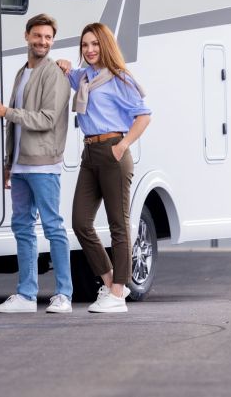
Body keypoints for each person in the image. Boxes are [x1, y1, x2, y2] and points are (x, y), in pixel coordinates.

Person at [56, 23, 151, 313]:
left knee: (118, 225)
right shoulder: (84, 77)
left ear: (105, 45)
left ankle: (119, 294)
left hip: (113, 151)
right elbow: (67, 74)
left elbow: (144, 116)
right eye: (85, 45)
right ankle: (110, 284)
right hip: (90, 153)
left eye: (95, 44)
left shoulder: (120, 79)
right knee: (80, 222)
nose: (90, 49)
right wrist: (63, 65)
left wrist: (122, 146)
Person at [0, 13, 73, 314]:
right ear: (27, 36)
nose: (43, 42)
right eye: (38, 36)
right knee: (22, 227)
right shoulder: (22, 72)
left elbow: (48, 119)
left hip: (44, 164)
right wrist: (8, 163)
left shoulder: (55, 74)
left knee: (53, 227)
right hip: (22, 165)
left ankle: (64, 294)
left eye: (48, 37)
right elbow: (15, 129)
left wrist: (6, 111)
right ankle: (26, 295)